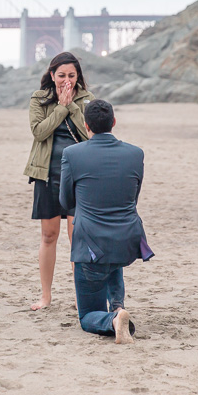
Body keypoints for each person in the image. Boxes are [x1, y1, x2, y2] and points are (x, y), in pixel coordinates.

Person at [59, 99, 154, 343]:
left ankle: (113, 319)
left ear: (85, 124)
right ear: (113, 122)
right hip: (127, 240)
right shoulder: (135, 153)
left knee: (88, 314)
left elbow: (65, 200)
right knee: (112, 257)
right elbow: (133, 196)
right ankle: (118, 306)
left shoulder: (72, 154)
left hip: (91, 245)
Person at [23, 51, 95, 311]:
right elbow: (39, 132)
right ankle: (46, 295)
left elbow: (91, 135)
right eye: (61, 75)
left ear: (78, 77)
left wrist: (72, 105)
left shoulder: (88, 100)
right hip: (48, 174)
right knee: (48, 235)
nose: (67, 80)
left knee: (78, 238)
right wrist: (61, 107)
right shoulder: (39, 99)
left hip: (79, 176)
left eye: (72, 76)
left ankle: (81, 297)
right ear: (52, 75)